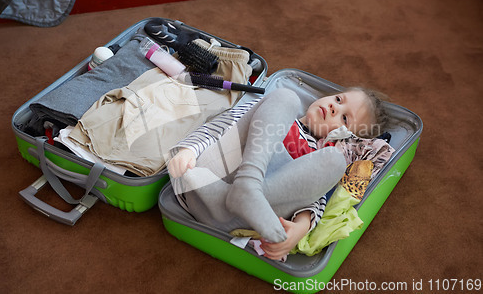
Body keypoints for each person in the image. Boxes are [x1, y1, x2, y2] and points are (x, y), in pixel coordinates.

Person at [168, 87, 392, 260]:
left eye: (344, 118)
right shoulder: (275, 111)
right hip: (205, 179)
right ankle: (247, 186)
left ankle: (242, 196)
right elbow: (224, 124)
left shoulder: (319, 154)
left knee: (335, 162)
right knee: (286, 97)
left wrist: (300, 228)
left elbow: (315, 200)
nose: (334, 107)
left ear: (345, 136)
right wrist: (190, 149)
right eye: (338, 99)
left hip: (237, 222)